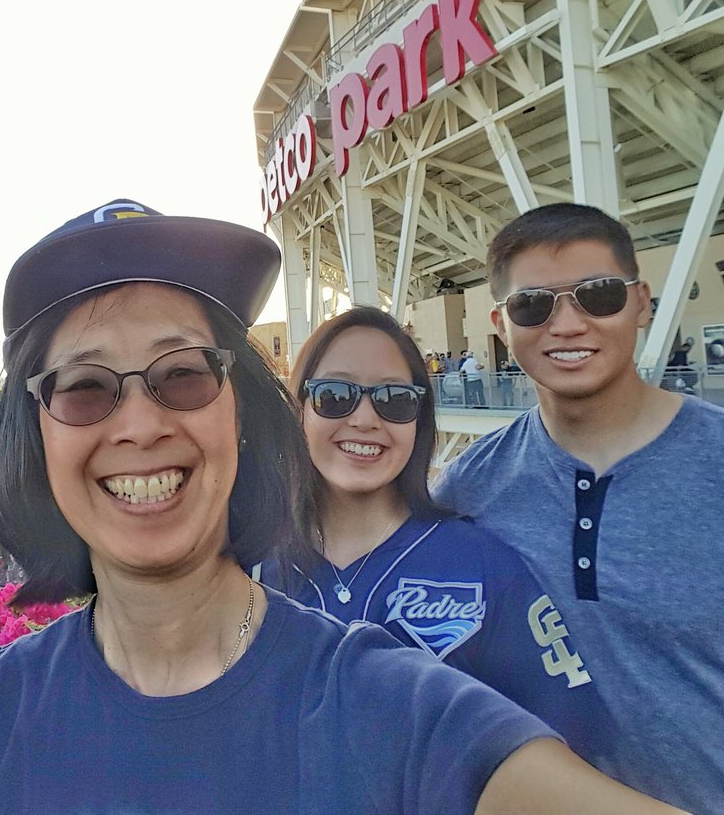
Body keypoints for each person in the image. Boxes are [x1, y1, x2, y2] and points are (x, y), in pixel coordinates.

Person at [0, 199, 677, 813]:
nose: (142, 424)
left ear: (244, 418)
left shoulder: (394, 704)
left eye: (182, 373)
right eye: (84, 389)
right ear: (33, 445)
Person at [433, 202, 724, 813]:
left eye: (597, 295)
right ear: (500, 323)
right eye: (533, 305)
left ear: (641, 302)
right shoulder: (469, 488)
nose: (566, 325)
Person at [261, 307, 609, 761]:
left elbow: (574, 742)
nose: (365, 419)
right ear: (299, 409)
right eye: (334, 395)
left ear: (419, 419)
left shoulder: (484, 569)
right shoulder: (247, 565)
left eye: (395, 400)